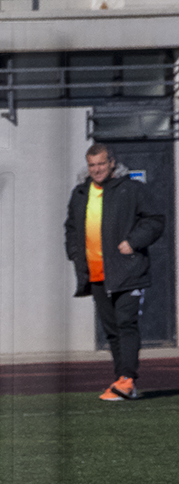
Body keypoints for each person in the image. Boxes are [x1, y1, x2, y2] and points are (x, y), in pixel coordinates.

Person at [64, 144, 165, 402]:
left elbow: (154, 220)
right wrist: (75, 253)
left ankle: (127, 379)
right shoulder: (80, 193)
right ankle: (123, 381)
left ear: (111, 163)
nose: (96, 169)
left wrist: (133, 242)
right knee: (111, 330)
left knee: (126, 324)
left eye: (101, 164)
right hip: (95, 272)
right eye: (92, 165)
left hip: (128, 270)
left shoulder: (131, 189)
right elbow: (71, 227)